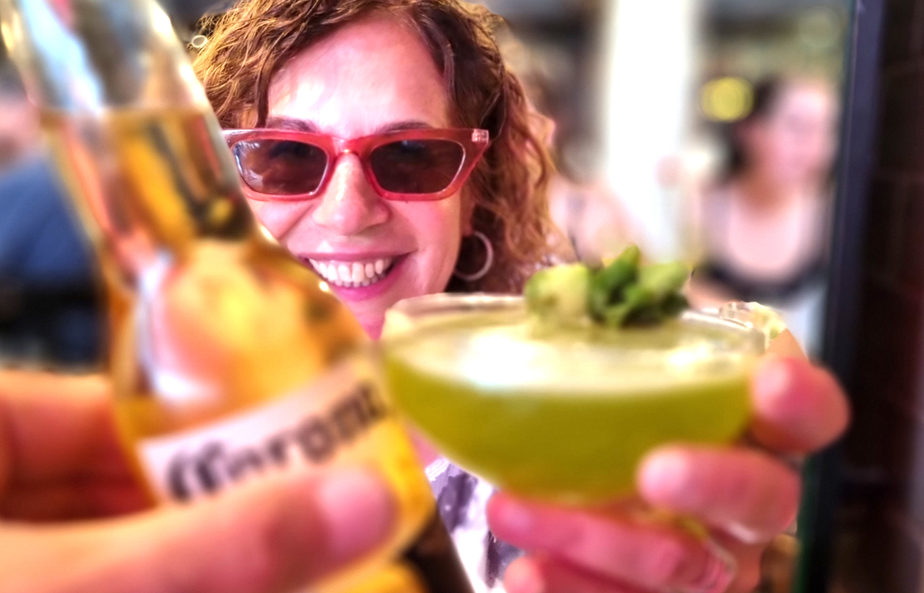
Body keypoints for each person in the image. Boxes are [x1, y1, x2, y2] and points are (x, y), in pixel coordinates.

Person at [0, 2, 850, 593]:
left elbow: (745, 364)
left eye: (410, 156)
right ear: (227, 178)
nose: (348, 211)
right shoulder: (123, 458)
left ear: (474, 189)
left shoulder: (570, 414)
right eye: (284, 157)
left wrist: (718, 535)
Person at [688, 77, 839, 357]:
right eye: (798, 127)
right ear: (751, 132)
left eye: (828, 130)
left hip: (793, 370)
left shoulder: (833, 214)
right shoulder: (700, 200)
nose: (815, 147)